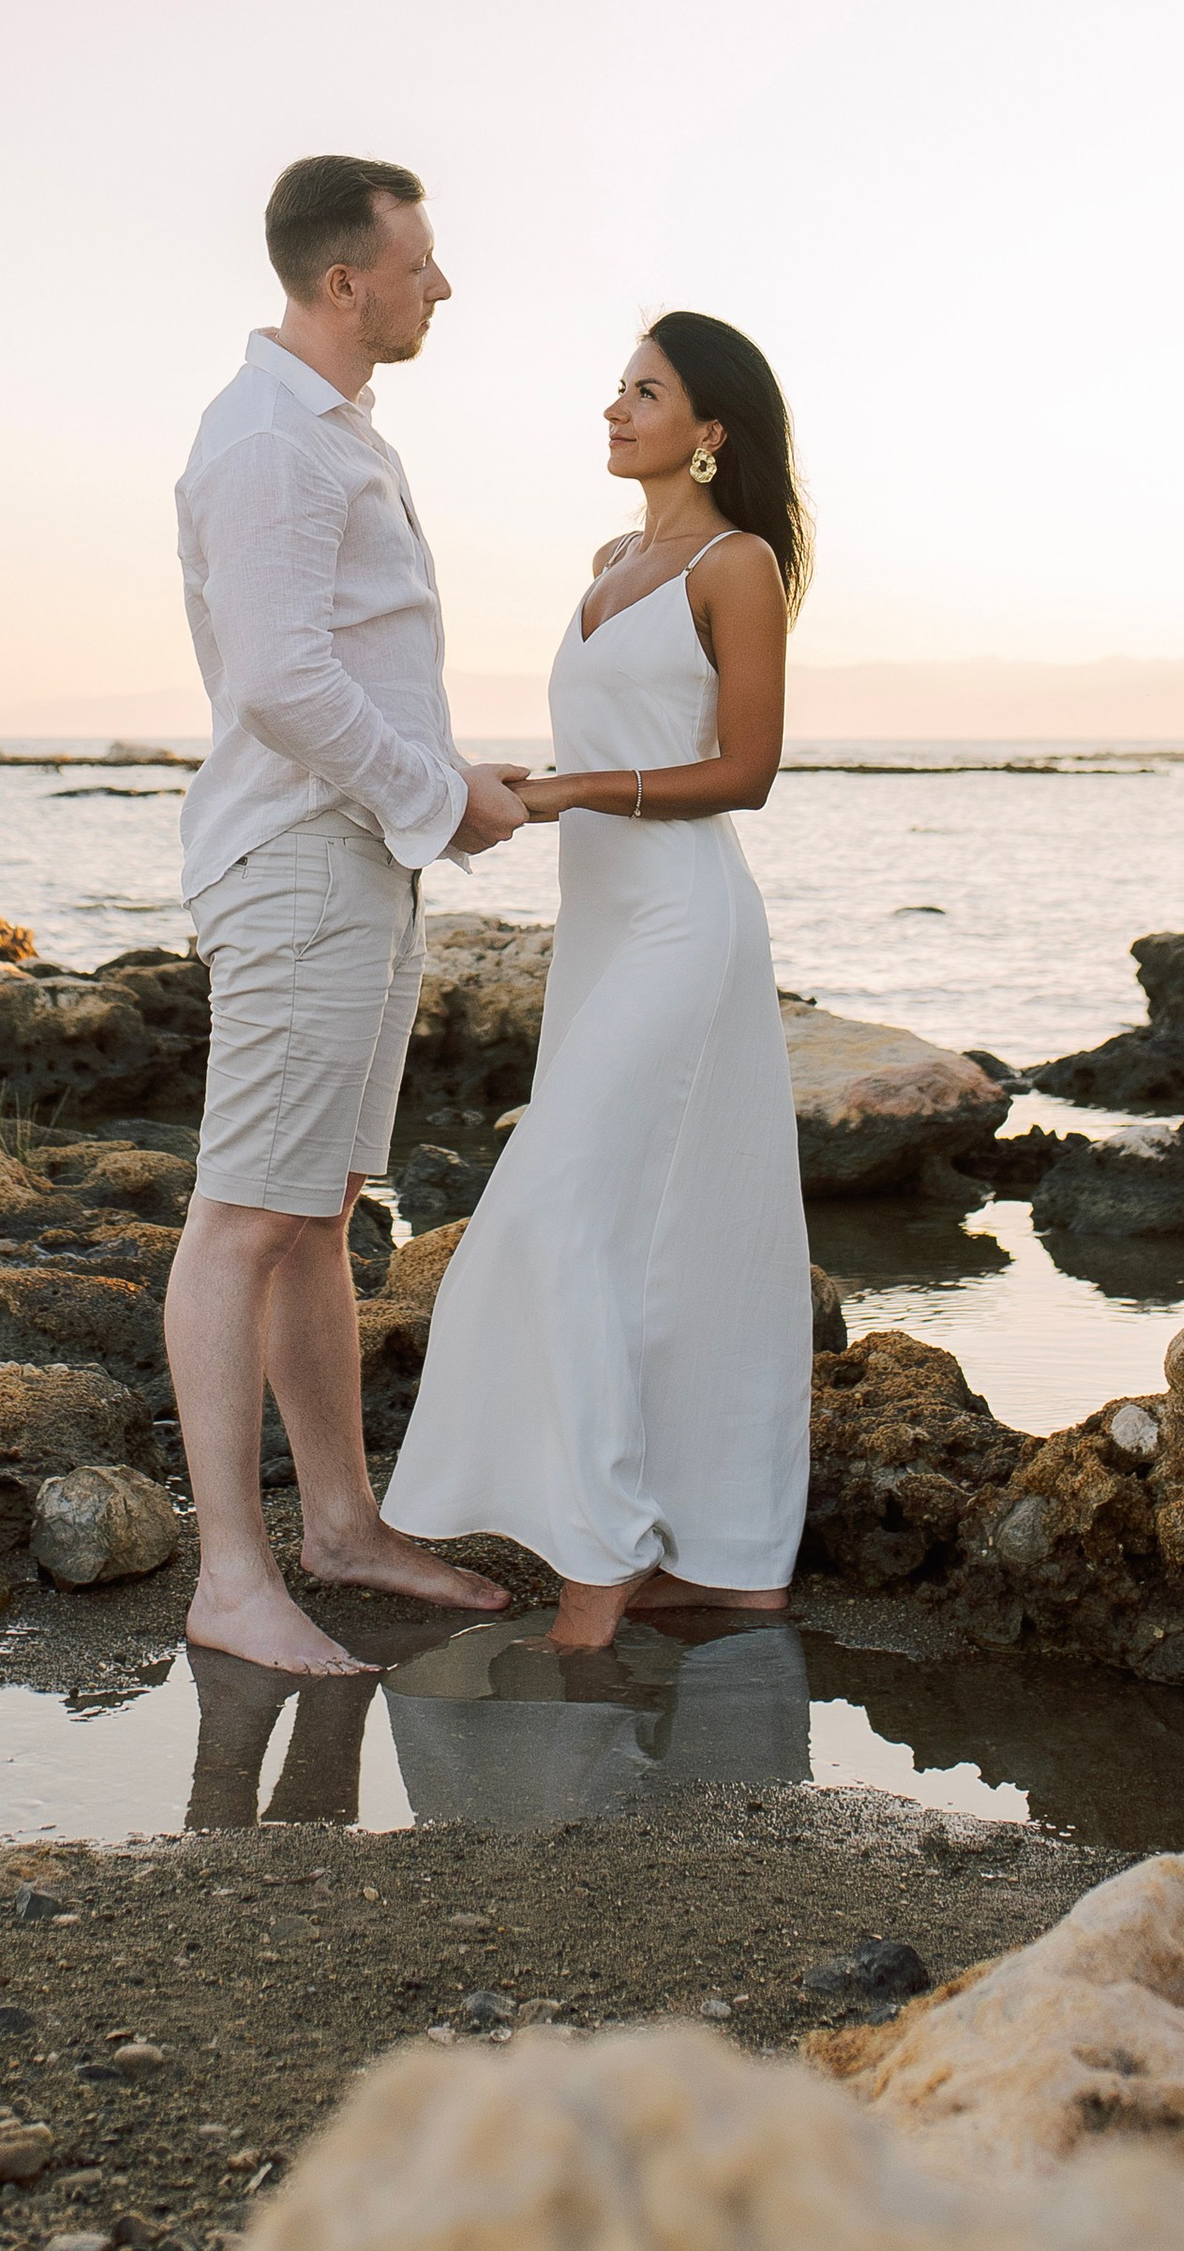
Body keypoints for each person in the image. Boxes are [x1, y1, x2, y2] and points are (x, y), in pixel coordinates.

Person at [382, 309, 815, 1651]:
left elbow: (745, 770)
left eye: (646, 392)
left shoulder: (737, 567)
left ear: (712, 430)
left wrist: (564, 794)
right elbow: (616, 735)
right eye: (617, 389)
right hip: (605, 928)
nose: (616, 411)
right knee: (679, 1234)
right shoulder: (612, 559)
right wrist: (513, 780)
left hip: (685, 923)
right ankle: (733, 1555)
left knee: (553, 1210)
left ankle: (608, 1555)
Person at [166, 154, 530, 1675]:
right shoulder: (272, 443)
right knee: (245, 1213)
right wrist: (439, 800)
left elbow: (347, 673)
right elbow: (279, 682)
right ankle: (233, 1580)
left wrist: (442, 776)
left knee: (313, 1210)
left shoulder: (333, 433)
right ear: (343, 282)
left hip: (354, 855)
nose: (439, 285)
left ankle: (342, 1524)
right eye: (420, 262)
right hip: (305, 862)